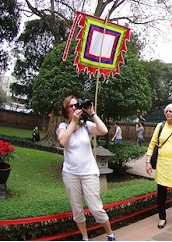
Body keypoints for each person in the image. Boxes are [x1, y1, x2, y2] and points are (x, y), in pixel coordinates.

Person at [56, 95, 116, 241]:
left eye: (77, 105)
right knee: (77, 209)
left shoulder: (86, 126)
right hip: (71, 174)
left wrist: (92, 113)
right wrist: (74, 122)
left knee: (96, 208)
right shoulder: (63, 127)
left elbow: (103, 130)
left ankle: (110, 234)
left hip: (89, 172)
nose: (75, 108)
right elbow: (63, 141)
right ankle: (85, 237)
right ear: (66, 110)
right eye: (72, 106)